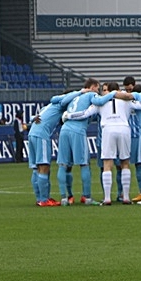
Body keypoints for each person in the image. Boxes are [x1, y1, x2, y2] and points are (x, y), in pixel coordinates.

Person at [28, 88, 88, 206]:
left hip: (32, 133)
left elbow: (37, 116)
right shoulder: (61, 103)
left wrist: (31, 118)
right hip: (42, 135)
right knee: (44, 166)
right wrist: (81, 92)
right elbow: (64, 99)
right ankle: (44, 200)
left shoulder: (49, 106)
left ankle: (40, 199)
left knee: (36, 168)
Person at [57, 78, 102, 206]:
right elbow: (99, 101)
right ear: (92, 87)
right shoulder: (90, 95)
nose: (98, 91)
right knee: (84, 164)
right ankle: (86, 197)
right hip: (78, 130)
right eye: (97, 88)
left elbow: (59, 101)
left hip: (64, 129)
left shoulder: (74, 96)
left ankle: (64, 198)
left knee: (63, 164)